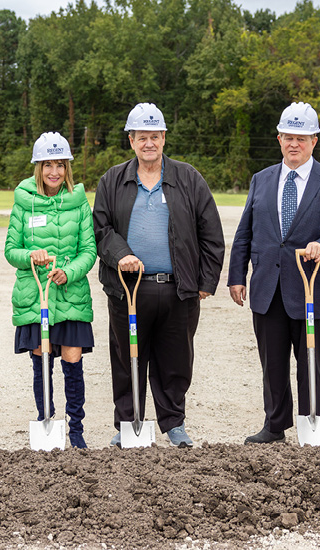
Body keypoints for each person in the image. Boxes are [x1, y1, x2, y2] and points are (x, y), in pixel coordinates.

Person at [227, 102, 320, 444]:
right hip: (267, 288)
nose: (294, 144)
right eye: (288, 137)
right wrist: (237, 275)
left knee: (311, 361)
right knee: (272, 364)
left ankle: (310, 423)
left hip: (312, 287)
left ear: (314, 141)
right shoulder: (262, 179)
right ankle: (275, 426)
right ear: (279, 138)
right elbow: (246, 231)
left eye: (301, 138)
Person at [93, 102, 225, 448]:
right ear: (131, 141)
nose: (148, 143)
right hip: (128, 289)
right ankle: (127, 423)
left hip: (177, 289)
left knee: (175, 359)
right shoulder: (113, 180)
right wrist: (121, 255)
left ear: (164, 138)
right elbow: (101, 229)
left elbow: (210, 231)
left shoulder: (188, 178)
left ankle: (174, 424)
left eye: (155, 136)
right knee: (128, 358)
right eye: (141, 137)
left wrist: (205, 282)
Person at [4, 132, 96, 449]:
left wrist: (68, 272)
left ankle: (76, 430)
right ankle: (46, 420)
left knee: (72, 358)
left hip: (70, 294)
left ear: (67, 167)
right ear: (38, 168)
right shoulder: (23, 202)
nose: (54, 172)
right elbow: (10, 250)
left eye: (60, 165)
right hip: (36, 294)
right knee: (42, 358)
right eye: (47, 165)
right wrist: (31, 255)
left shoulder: (80, 202)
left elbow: (89, 250)